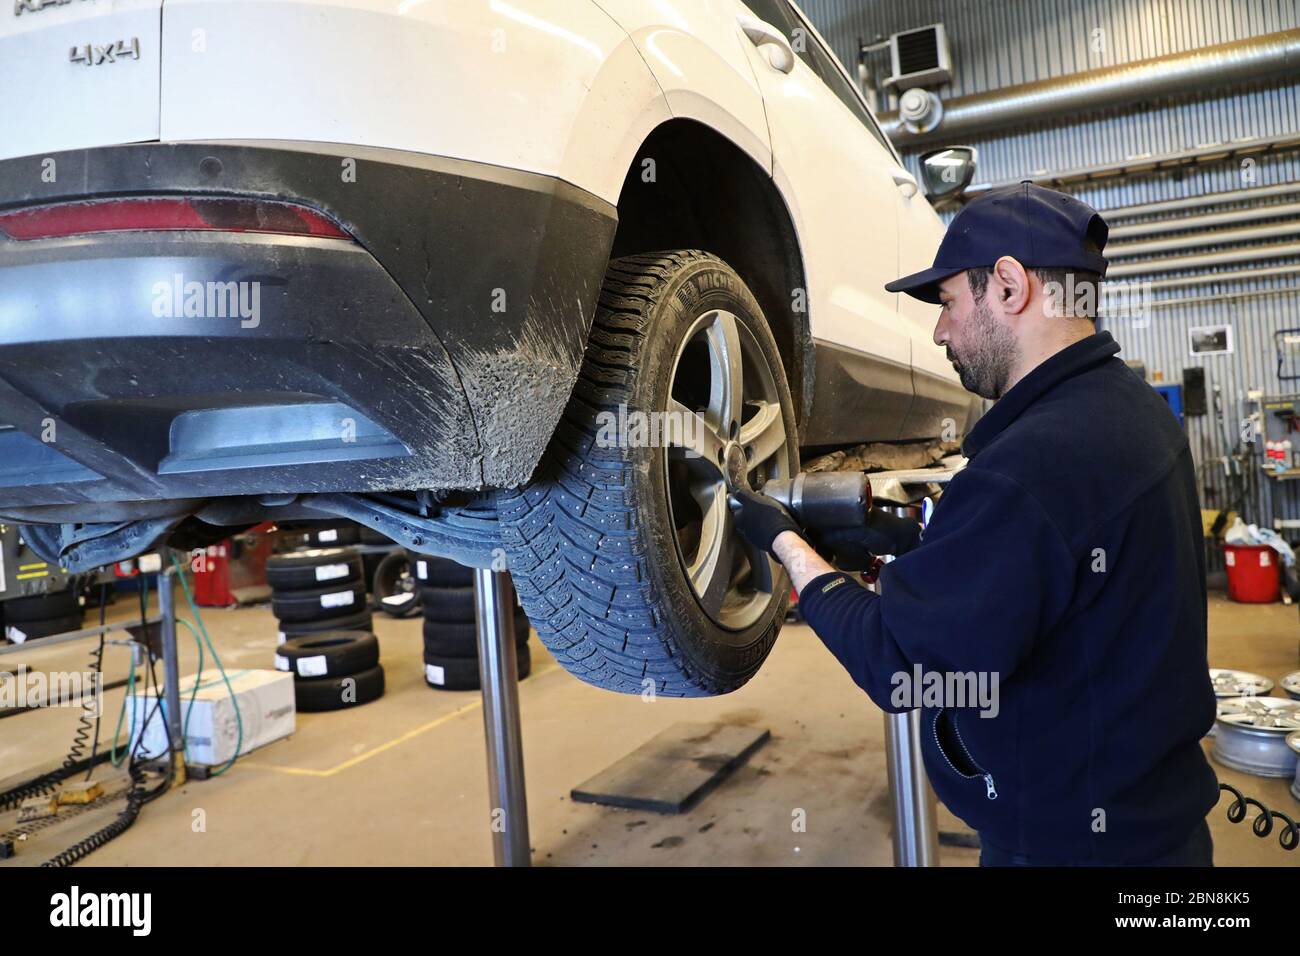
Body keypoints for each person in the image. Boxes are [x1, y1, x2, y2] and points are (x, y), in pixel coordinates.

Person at [730, 182, 1218, 866]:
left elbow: (900, 667)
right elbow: (1050, 575)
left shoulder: (1033, 464)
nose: (939, 330)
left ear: (1010, 286)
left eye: (950, 302)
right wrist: (926, 550)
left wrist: (787, 544)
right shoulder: (1130, 412)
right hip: (1152, 831)